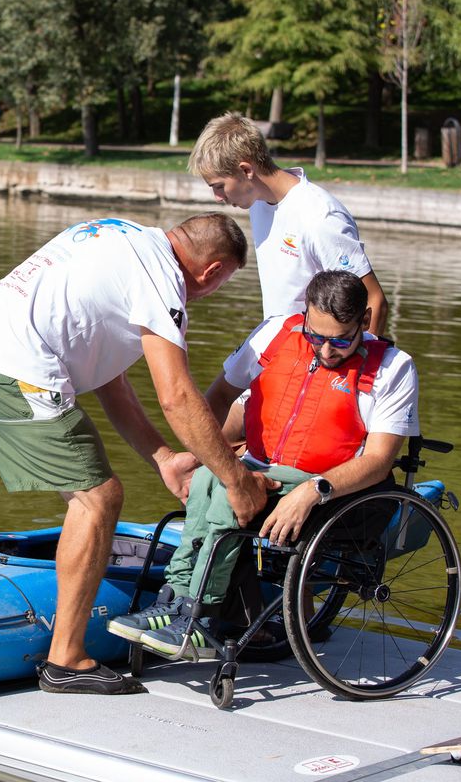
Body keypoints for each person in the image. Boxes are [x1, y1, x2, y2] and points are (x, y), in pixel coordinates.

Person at [0, 212, 278, 696]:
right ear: (213, 271)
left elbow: (108, 375)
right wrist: (236, 480)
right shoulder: (162, 282)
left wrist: (163, 458)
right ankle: (66, 659)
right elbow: (176, 396)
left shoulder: (117, 231)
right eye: (221, 284)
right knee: (100, 498)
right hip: (15, 369)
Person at [107, 271, 419, 660]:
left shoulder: (394, 368)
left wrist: (312, 491)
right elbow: (220, 396)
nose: (325, 352)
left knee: (227, 489)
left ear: (366, 320)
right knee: (208, 477)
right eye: (315, 337)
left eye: (340, 340)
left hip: (331, 489)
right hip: (262, 465)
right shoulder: (274, 333)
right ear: (304, 314)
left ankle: (202, 615)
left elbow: (377, 461)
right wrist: (207, 451)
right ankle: (174, 599)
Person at [188, 112, 388, 333]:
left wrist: (357, 366)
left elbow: (374, 301)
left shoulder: (320, 216)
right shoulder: (258, 203)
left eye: (218, 186)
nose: (217, 197)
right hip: (280, 347)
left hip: (321, 354)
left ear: (246, 170)